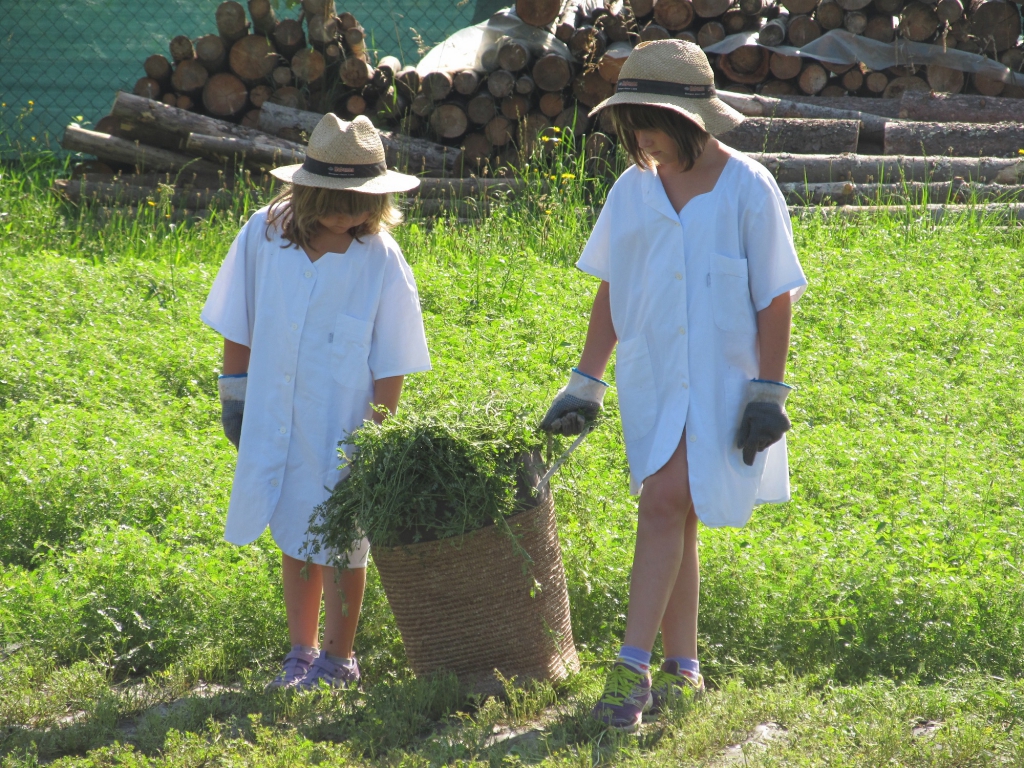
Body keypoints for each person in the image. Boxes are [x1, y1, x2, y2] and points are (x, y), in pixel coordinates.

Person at [540, 39, 807, 732]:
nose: (641, 142)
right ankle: (683, 668)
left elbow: (775, 297)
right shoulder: (632, 190)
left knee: (662, 504)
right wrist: (585, 382)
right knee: (674, 514)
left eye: (650, 126)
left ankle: (630, 671)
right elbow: (613, 288)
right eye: (631, 129)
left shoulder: (748, 187)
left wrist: (769, 393)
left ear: (689, 119)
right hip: (653, 380)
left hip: (723, 387)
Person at [201, 114, 430, 690]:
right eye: (336, 204)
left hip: (346, 428)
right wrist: (235, 391)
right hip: (279, 416)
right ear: (306, 193)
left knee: (345, 543)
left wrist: (378, 433)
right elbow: (238, 319)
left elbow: (394, 358)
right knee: (294, 532)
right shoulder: (264, 235)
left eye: (360, 206)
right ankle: (300, 652)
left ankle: (338, 658)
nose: (348, 217)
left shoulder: (381, 259)